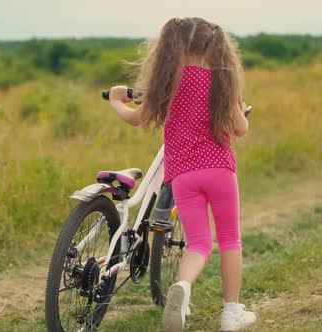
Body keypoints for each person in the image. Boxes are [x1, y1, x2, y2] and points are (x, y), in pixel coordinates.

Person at [108, 17, 255, 331]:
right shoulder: (221, 82)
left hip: (184, 175)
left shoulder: (165, 83)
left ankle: (183, 285)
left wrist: (116, 102)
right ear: (211, 47)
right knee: (229, 238)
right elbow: (240, 129)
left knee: (198, 243)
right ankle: (231, 313)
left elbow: (136, 118)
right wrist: (239, 110)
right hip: (219, 170)